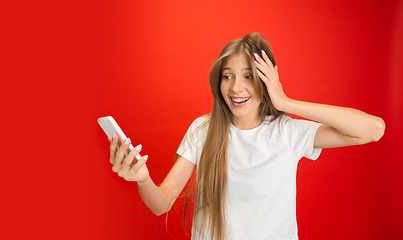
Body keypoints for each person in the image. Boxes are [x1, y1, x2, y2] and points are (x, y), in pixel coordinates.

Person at [107, 32, 385, 240]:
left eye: (248, 76)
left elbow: (373, 130)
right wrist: (143, 179)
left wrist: (286, 103)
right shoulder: (202, 130)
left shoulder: (287, 130)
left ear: (267, 79)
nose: (236, 87)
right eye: (227, 76)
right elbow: (161, 204)